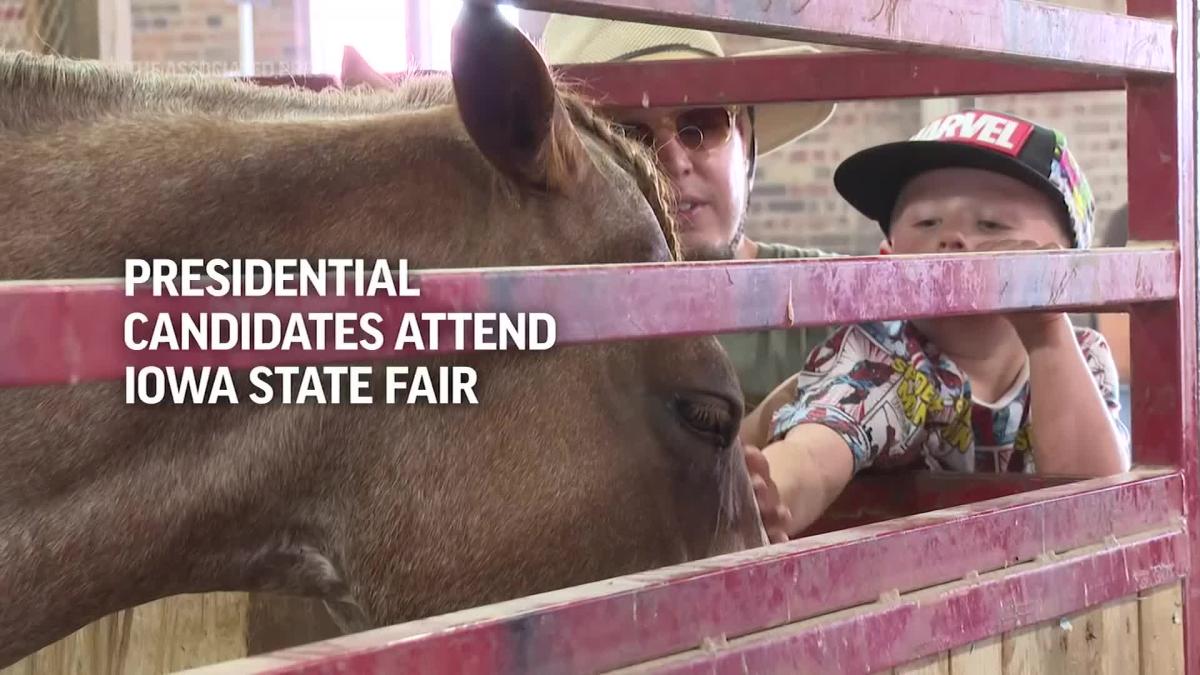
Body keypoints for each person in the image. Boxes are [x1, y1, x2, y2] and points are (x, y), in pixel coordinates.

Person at [741, 110, 1132, 543]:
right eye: (927, 222)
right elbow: (815, 451)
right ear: (888, 262)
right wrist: (773, 494)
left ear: (1067, 263)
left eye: (990, 224)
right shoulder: (882, 353)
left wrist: (1045, 331)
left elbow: (1099, 504)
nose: (952, 240)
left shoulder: (1083, 353)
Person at [539, 15, 839, 409]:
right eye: (627, 137)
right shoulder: (537, 332)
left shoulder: (844, 305)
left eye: (701, 123)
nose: (675, 161)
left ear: (745, 141)